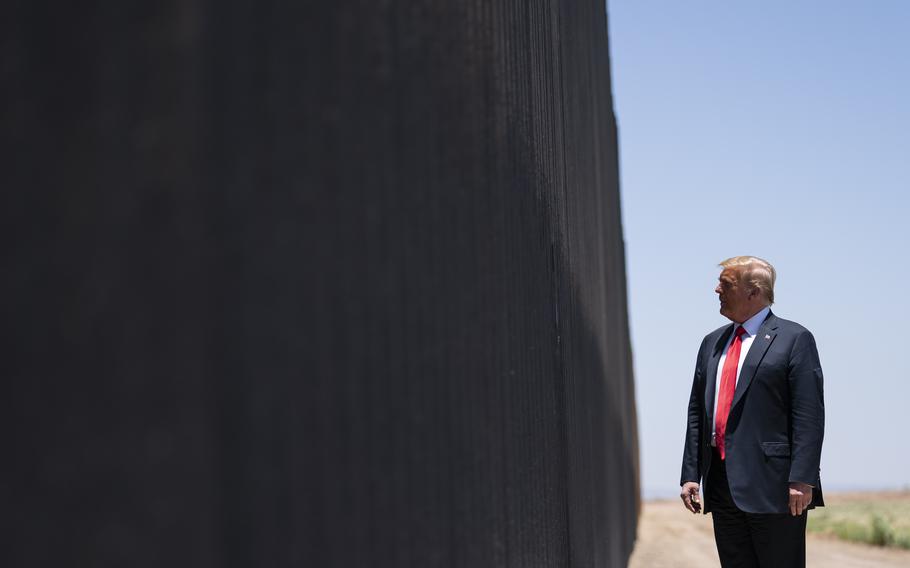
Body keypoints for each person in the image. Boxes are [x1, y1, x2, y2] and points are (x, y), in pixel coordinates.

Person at [679, 256, 825, 568]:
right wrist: (691, 473)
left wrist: (802, 478)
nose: (716, 289)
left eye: (726, 284)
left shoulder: (794, 339)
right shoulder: (711, 343)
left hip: (775, 489)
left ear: (753, 292)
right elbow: (697, 413)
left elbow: (808, 414)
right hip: (721, 485)